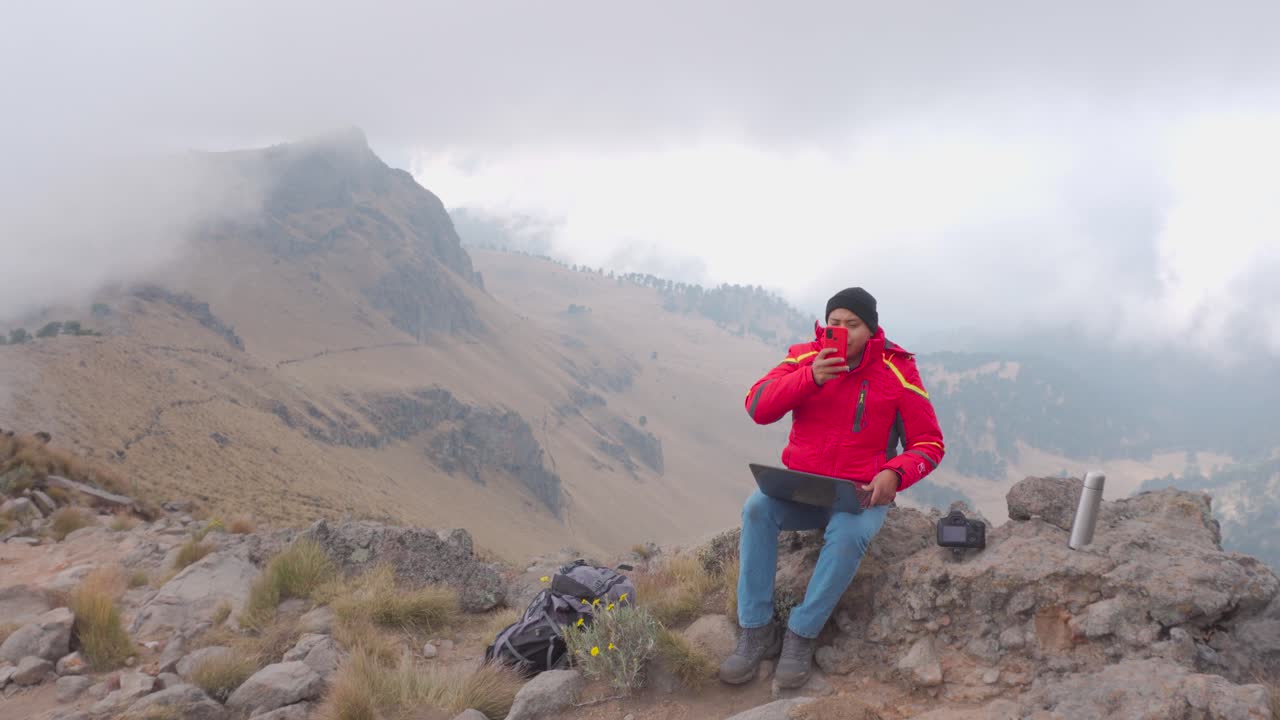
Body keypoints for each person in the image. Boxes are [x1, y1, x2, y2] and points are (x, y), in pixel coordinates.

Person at [720, 287, 946, 688]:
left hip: (859, 494)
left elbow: (929, 443)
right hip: (802, 488)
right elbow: (757, 406)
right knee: (757, 509)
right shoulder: (805, 356)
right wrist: (808, 378)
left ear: (871, 329)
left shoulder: (897, 370)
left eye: (852, 325)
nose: (841, 331)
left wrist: (894, 474)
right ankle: (755, 630)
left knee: (847, 534)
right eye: (834, 323)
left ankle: (801, 634)